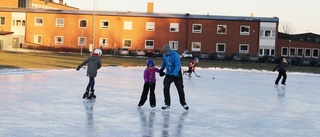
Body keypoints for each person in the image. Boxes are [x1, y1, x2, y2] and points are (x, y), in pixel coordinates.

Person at [159, 44, 189, 110]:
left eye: (166, 52)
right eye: (164, 52)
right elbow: (164, 62)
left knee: (180, 89)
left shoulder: (175, 55)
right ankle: (167, 103)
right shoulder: (164, 55)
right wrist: (161, 69)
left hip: (177, 75)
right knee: (165, 88)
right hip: (168, 74)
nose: (165, 54)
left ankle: (183, 103)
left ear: (169, 50)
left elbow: (178, 66)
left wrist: (174, 75)